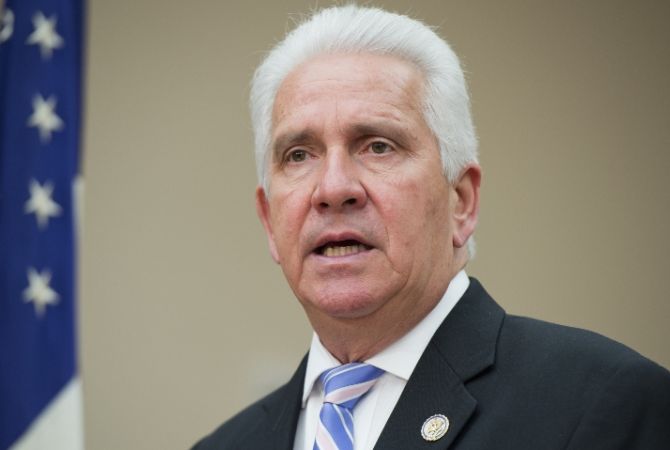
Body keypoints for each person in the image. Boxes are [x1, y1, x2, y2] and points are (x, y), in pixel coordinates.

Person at [192, 5, 670, 450]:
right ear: (269, 221)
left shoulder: (605, 403)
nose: (333, 188)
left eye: (378, 146)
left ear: (461, 201)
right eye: (299, 155)